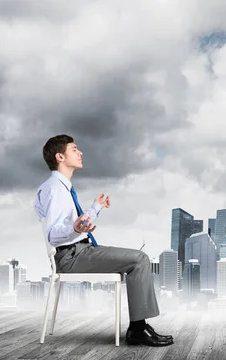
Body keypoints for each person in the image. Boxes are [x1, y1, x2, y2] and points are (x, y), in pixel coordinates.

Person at [34, 134, 173, 347]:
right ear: (60, 156)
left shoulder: (62, 187)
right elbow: (54, 234)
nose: (80, 153)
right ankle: (137, 329)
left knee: (138, 259)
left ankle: (139, 327)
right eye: (74, 149)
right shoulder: (54, 189)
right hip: (72, 256)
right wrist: (74, 228)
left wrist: (95, 208)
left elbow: (78, 224)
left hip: (79, 251)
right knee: (140, 259)